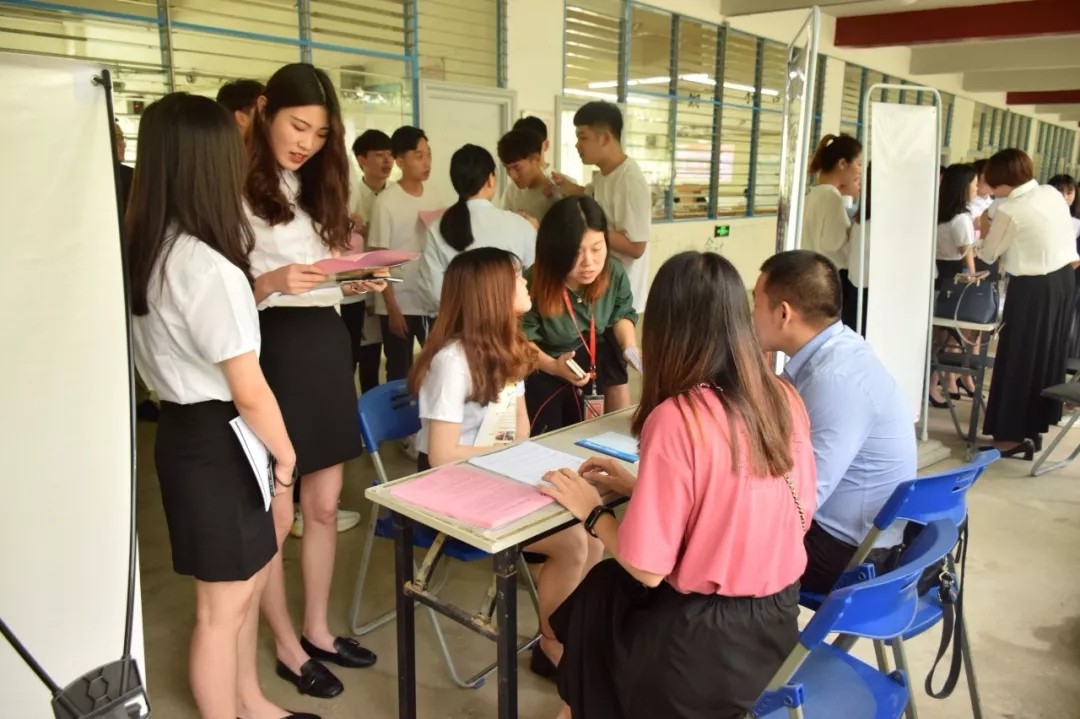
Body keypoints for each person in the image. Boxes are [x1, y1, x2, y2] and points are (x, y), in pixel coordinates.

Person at [539, 251, 817, 719]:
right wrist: (641, 487)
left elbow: (648, 569)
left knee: (601, 599)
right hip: (777, 627)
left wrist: (593, 511)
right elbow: (764, 504)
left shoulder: (678, 417)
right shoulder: (782, 396)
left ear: (665, 329)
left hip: (700, 649)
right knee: (602, 603)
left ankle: (573, 691)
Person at [127, 92, 317, 719]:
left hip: (189, 433)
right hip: (218, 438)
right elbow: (249, 388)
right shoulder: (205, 265)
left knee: (242, 588)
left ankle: (250, 701)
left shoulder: (152, 250)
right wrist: (286, 461)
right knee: (222, 609)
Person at [245, 63, 386, 698]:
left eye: (321, 133)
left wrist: (352, 282)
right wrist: (272, 282)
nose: (306, 142)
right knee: (276, 516)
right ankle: (285, 646)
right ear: (265, 110)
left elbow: (320, 279)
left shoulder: (315, 188)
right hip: (270, 351)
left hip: (327, 343)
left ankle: (318, 630)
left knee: (324, 507)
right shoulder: (234, 191)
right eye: (297, 126)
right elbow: (217, 299)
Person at [408, 246, 601, 677]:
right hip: (449, 483)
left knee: (593, 534)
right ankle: (552, 646)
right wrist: (511, 457)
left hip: (495, 470)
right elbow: (441, 455)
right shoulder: (451, 362)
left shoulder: (510, 346)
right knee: (573, 543)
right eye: (517, 277)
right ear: (492, 293)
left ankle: (570, 635)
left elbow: (521, 431)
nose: (526, 282)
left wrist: (519, 457)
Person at [753, 250, 916, 595]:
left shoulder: (836, 380)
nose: (750, 317)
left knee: (706, 547)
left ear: (783, 313)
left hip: (845, 553)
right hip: (839, 534)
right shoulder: (834, 351)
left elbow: (799, 499)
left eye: (755, 304)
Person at [979, 150, 1079, 459]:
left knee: (1019, 358)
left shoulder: (1011, 209)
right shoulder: (1050, 193)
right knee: (1044, 357)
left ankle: (1010, 437)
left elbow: (988, 253)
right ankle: (1033, 427)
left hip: (1033, 287)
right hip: (1063, 280)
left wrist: (984, 224)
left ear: (1002, 182)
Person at [522, 196, 639, 434]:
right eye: (576, 253)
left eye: (596, 248)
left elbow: (621, 314)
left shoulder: (613, 273)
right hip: (545, 372)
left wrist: (630, 347)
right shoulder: (533, 282)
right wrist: (553, 366)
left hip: (591, 369)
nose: (589, 262)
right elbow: (521, 340)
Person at [417, 144, 536, 313]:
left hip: (459, 322)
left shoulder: (438, 228)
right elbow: (535, 276)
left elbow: (432, 293)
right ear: (491, 179)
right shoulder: (519, 224)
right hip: (508, 320)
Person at [366, 125, 440, 380]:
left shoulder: (435, 197)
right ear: (400, 161)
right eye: (419, 156)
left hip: (429, 301)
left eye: (428, 155)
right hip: (398, 303)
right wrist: (392, 309)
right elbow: (378, 260)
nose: (427, 162)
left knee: (435, 368)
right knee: (399, 371)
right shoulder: (386, 202)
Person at [343, 129, 395, 394]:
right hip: (359, 285)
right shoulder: (349, 195)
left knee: (392, 356)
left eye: (390, 155)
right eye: (379, 155)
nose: (387, 161)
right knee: (362, 354)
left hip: (390, 284)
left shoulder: (396, 194)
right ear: (361, 159)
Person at [930, 164, 980, 406]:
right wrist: (974, 277)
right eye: (974, 184)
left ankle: (932, 385)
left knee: (937, 337)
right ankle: (934, 385)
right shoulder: (961, 219)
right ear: (963, 187)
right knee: (951, 338)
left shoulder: (938, 215)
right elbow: (967, 256)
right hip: (955, 281)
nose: (977, 188)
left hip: (938, 278)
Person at [802, 133, 863, 331]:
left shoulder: (812, 195)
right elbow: (833, 245)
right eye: (858, 164)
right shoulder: (831, 198)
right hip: (829, 281)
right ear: (842, 163)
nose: (860, 171)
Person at [496, 128, 561, 222]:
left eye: (517, 168)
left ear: (536, 159)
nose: (512, 175)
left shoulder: (556, 194)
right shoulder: (511, 191)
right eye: (507, 168)